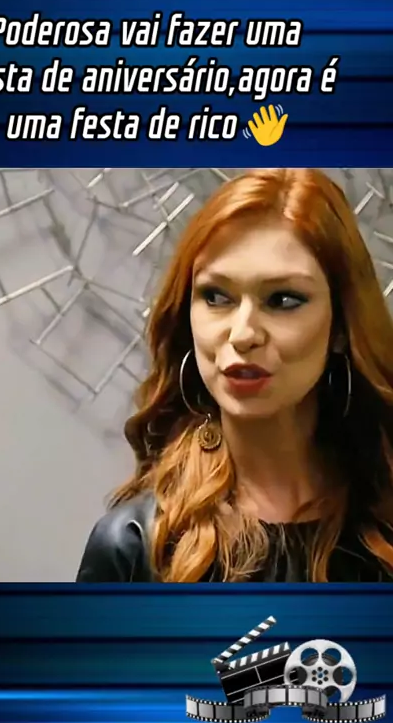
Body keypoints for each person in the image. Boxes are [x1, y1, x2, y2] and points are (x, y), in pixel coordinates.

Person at [76, 168, 393, 583]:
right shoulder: (133, 546)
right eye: (216, 296)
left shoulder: (383, 528)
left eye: (283, 300)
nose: (243, 334)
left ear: (340, 327)